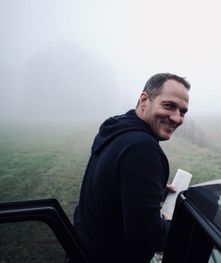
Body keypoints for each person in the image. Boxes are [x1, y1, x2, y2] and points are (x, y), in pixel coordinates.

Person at [72, 73, 190, 262]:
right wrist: (173, 226)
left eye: (183, 112)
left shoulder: (118, 129)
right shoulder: (142, 148)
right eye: (169, 106)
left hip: (84, 250)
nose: (177, 118)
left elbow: (109, 190)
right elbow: (147, 236)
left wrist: (148, 192)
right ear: (144, 100)